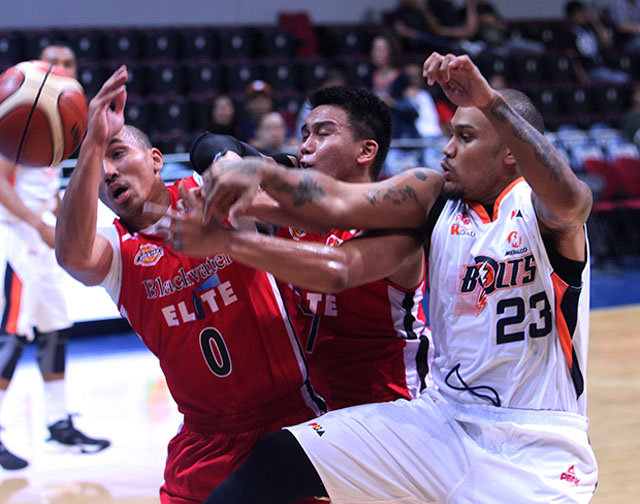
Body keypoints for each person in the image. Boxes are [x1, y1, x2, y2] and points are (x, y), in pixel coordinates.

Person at [199, 51, 598, 503]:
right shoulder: (433, 196)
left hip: (537, 448)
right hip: (442, 422)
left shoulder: (541, 212)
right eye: (451, 135)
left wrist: (489, 100)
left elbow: (574, 200)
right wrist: (259, 171)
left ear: (510, 151)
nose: (448, 149)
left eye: (465, 137)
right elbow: (334, 201)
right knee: (277, 458)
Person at [54, 66, 326, 504]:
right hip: (206, 440)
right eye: (99, 166)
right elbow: (70, 256)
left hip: (291, 419)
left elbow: (262, 175)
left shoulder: (208, 191)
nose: (109, 172)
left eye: (118, 153)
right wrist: (92, 143)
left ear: (156, 160)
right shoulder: (116, 250)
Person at [180, 85, 433, 411]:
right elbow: (210, 143)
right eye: (304, 135)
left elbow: (336, 269)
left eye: (323, 134)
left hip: (388, 404)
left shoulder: (396, 217)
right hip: (310, 402)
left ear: (365, 151)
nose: (305, 148)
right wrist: (225, 165)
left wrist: (227, 240)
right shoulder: (290, 186)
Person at [0, 42, 110, 471]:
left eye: (68, 63)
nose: (61, 68)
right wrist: (42, 224)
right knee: (12, 335)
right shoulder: (18, 116)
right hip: (16, 238)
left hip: (41, 240)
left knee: (54, 331)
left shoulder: (66, 125)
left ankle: (58, 421)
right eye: (54, 62)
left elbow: (45, 188)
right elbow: (3, 186)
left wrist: (61, 211)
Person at [565, 0, 630, 85]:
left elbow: (607, 43)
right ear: (572, 15)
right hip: (588, 70)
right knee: (622, 79)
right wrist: (584, 80)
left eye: (583, 11)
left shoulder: (590, 29)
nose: (582, 15)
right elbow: (573, 60)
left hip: (601, 67)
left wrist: (595, 21)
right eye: (578, 13)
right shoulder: (569, 34)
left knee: (625, 79)